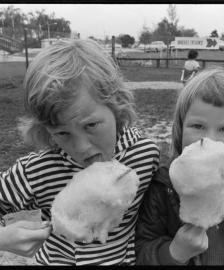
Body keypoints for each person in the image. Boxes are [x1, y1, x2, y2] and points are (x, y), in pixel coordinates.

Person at [0, 39, 160, 265]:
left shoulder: (145, 155)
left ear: (116, 105)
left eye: (91, 125)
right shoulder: (35, 171)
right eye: (63, 133)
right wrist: (3, 238)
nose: (82, 146)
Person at [135, 67, 224, 265]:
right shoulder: (163, 184)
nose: (209, 139)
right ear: (181, 129)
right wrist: (173, 253)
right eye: (198, 126)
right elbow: (141, 249)